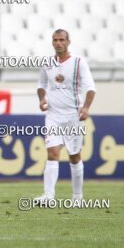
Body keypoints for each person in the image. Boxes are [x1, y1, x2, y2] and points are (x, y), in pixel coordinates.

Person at [34, 29, 96, 203]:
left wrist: (86, 108)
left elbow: (91, 88)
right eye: (55, 40)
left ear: (68, 42)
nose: (58, 43)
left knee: (74, 156)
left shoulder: (78, 62)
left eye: (61, 40)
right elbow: (41, 84)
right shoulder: (47, 63)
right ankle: (48, 195)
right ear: (52, 42)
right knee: (52, 153)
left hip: (73, 116)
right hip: (53, 115)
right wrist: (42, 99)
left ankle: (77, 196)